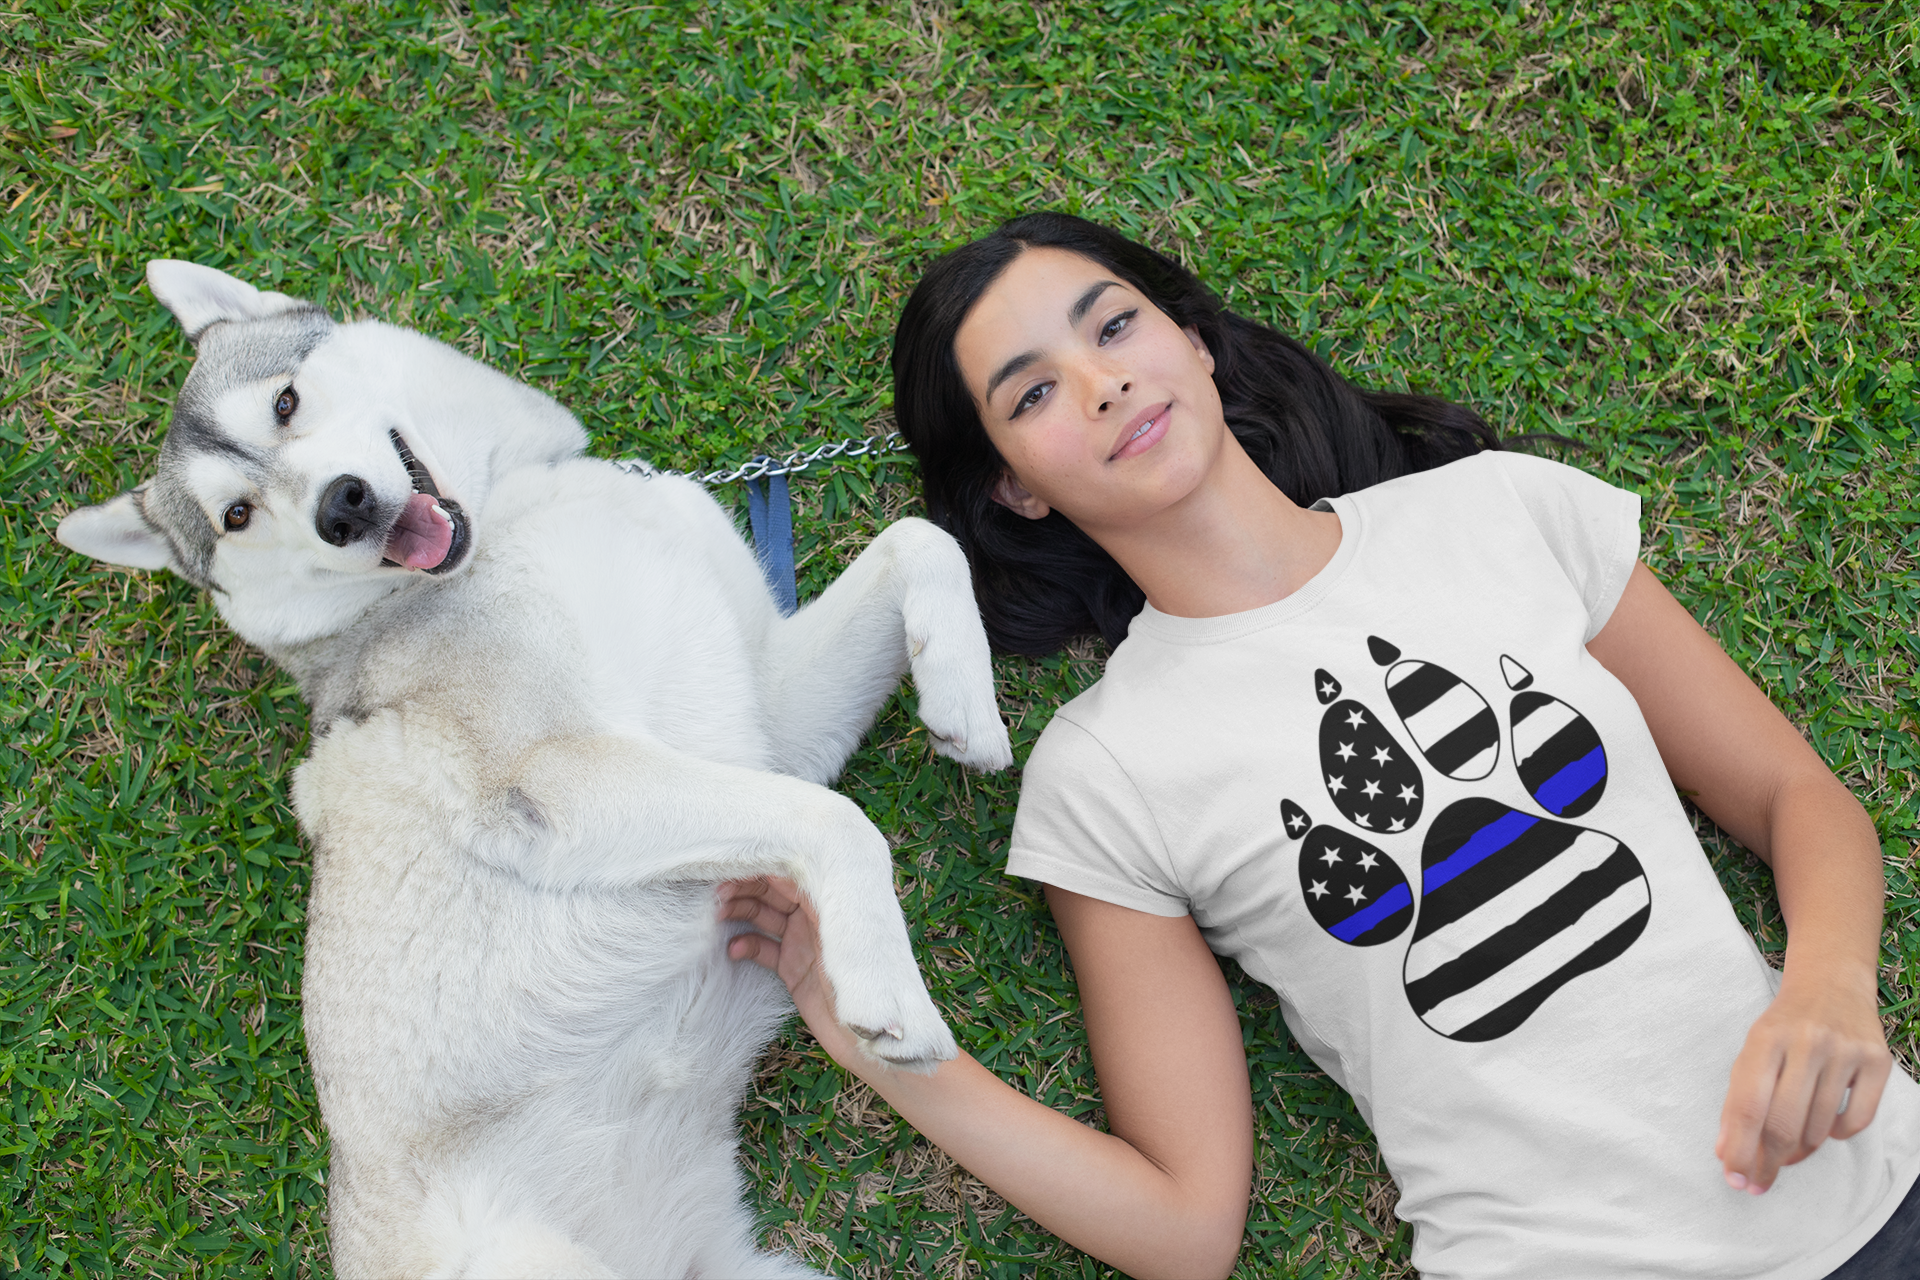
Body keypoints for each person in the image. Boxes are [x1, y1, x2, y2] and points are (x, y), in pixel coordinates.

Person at [718, 212, 1920, 1278]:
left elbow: (1788, 790)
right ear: (1015, 490)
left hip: (1884, 1178)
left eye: (1116, 327)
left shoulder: (1501, 509)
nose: (1099, 384)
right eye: (1031, 394)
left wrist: (1827, 985)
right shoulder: (1104, 771)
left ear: (1194, 339)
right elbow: (1188, 1228)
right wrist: (868, 1029)